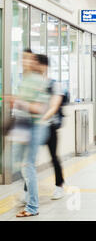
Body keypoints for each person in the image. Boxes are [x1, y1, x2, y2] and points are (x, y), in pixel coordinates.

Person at [5, 49, 49, 217]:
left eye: (29, 59)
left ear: (35, 62)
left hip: (34, 128)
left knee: (27, 166)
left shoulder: (38, 81)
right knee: (18, 162)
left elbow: (38, 108)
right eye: (23, 58)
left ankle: (32, 206)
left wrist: (18, 101)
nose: (25, 61)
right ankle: (30, 196)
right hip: (23, 127)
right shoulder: (25, 80)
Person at [36, 54, 67, 199]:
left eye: (38, 64)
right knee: (30, 160)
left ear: (44, 66)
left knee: (53, 157)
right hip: (35, 127)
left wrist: (42, 119)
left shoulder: (54, 84)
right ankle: (26, 191)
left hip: (49, 126)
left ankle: (59, 185)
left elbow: (54, 106)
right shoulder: (32, 84)